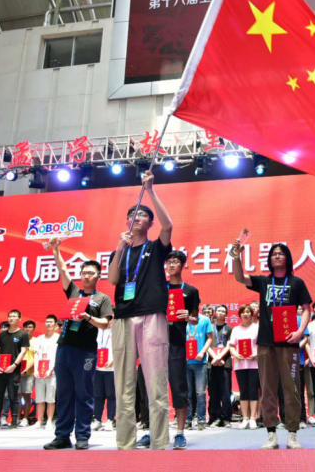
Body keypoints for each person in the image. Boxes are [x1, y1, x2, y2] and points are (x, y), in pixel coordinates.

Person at [108, 171, 173, 451]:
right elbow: (112, 280)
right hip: (123, 318)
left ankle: (159, 443)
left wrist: (150, 191)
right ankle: (125, 444)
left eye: (142, 215)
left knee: (155, 382)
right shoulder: (120, 251)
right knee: (124, 385)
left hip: (151, 316)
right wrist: (119, 248)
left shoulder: (156, 248)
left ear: (150, 223)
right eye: (132, 215)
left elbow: (169, 225)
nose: (136, 217)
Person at [233, 241, 311, 450]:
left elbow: (306, 309)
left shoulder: (296, 282)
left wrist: (300, 331)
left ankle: (292, 434)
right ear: (269, 259)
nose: (277, 256)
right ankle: (271, 434)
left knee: (291, 389)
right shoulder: (264, 281)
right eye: (274, 254)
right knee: (267, 390)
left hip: (289, 342)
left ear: (287, 258)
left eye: (281, 253)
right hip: (266, 343)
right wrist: (236, 256)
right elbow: (240, 277)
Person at [43, 238, 113, 450]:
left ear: (98, 276)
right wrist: (56, 249)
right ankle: (62, 436)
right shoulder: (74, 291)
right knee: (64, 393)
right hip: (64, 348)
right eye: (84, 273)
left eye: (91, 273)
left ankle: (82, 435)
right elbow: (63, 269)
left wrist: (88, 318)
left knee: (84, 393)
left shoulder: (102, 299)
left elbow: (106, 323)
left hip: (85, 352)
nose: (86, 276)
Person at [164, 250, 199, 449]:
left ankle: (179, 432)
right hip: (155, 342)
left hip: (176, 344)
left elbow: (195, 319)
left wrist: (188, 316)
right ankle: (154, 431)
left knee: (179, 387)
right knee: (153, 387)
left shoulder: (190, 291)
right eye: (169, 262)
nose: (171, 265)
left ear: (183, 265)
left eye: (175, 262)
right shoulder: (159, 287)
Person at [0, 310, 29, 430]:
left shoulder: (22, 334)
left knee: (13, 396)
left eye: (14, 316)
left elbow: (23, 351)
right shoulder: (2, 335)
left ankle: (14, 421)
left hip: (13, 370)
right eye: (10, 316)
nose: (11, 318)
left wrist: (14, 365)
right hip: (0, 370)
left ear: (19, 318)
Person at [230, 304, 260, 429]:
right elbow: (232, 346)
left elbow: (262, 345)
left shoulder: (257, 328)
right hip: (240, 364)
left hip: (254, 364)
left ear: (252, 314)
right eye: (243, 312)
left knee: (253, 390)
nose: (246, 314)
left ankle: (253, 418)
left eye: (248, 312)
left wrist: (256, 354)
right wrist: (235, 354)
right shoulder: (236, 329)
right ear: (240, 315)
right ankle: (245, 418)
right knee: (243, 391)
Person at [187, 302, 214, 430]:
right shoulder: (182, 319)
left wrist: (202, 352)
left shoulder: (205, 319)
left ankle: (202, 420)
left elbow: (210, 338)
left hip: (200, 362)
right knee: (187, 393)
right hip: (185, 362)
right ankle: (187, 419)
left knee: (200, 393)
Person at [31, 315, 60, 429]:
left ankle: (49, 421)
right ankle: (39, 421)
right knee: (39, 398)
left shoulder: (58, 338)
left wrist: (51, 368)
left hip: (51, 372)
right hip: (40, 371)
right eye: (47, 322)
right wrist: (36, 370)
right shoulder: (39, 338)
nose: (48, 324)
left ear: (55, 325)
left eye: (51, 322)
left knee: (50, 398)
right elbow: (36, 355)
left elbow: (57, 356)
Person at [209, 304, 233, 427]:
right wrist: (215, 357)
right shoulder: (210, 327)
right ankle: (215, 417)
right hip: (211, 363)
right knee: (213, 391)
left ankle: (226, 417)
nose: (220, 313)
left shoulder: (229, 328)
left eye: (223, 311)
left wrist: (220, 357)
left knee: (225, 391)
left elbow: (229, 345)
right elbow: (207, 344)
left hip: (225, 363)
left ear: (226, 314)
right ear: (215, 312)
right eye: (218, 310)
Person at [92, 322, 116, 432]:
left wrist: (113, 360)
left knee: (111, 395)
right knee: (98, 396)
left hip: (111, 368)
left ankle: (110, 420)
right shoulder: (97, 330)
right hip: (98, 367)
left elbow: (121, 347)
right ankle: (97, 420)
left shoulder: (116, 331)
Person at [18, 320, 37, 427]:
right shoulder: (19, 341)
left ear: (33, 329)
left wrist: (26, 369)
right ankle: (17, 418)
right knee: (18, 396)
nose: (27, 329)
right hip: (17, 372)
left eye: (30, 327)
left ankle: (25, 418)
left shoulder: (35, 341)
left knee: (26, 395)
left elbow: (36, 358)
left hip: (29, 373)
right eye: (26, 327)